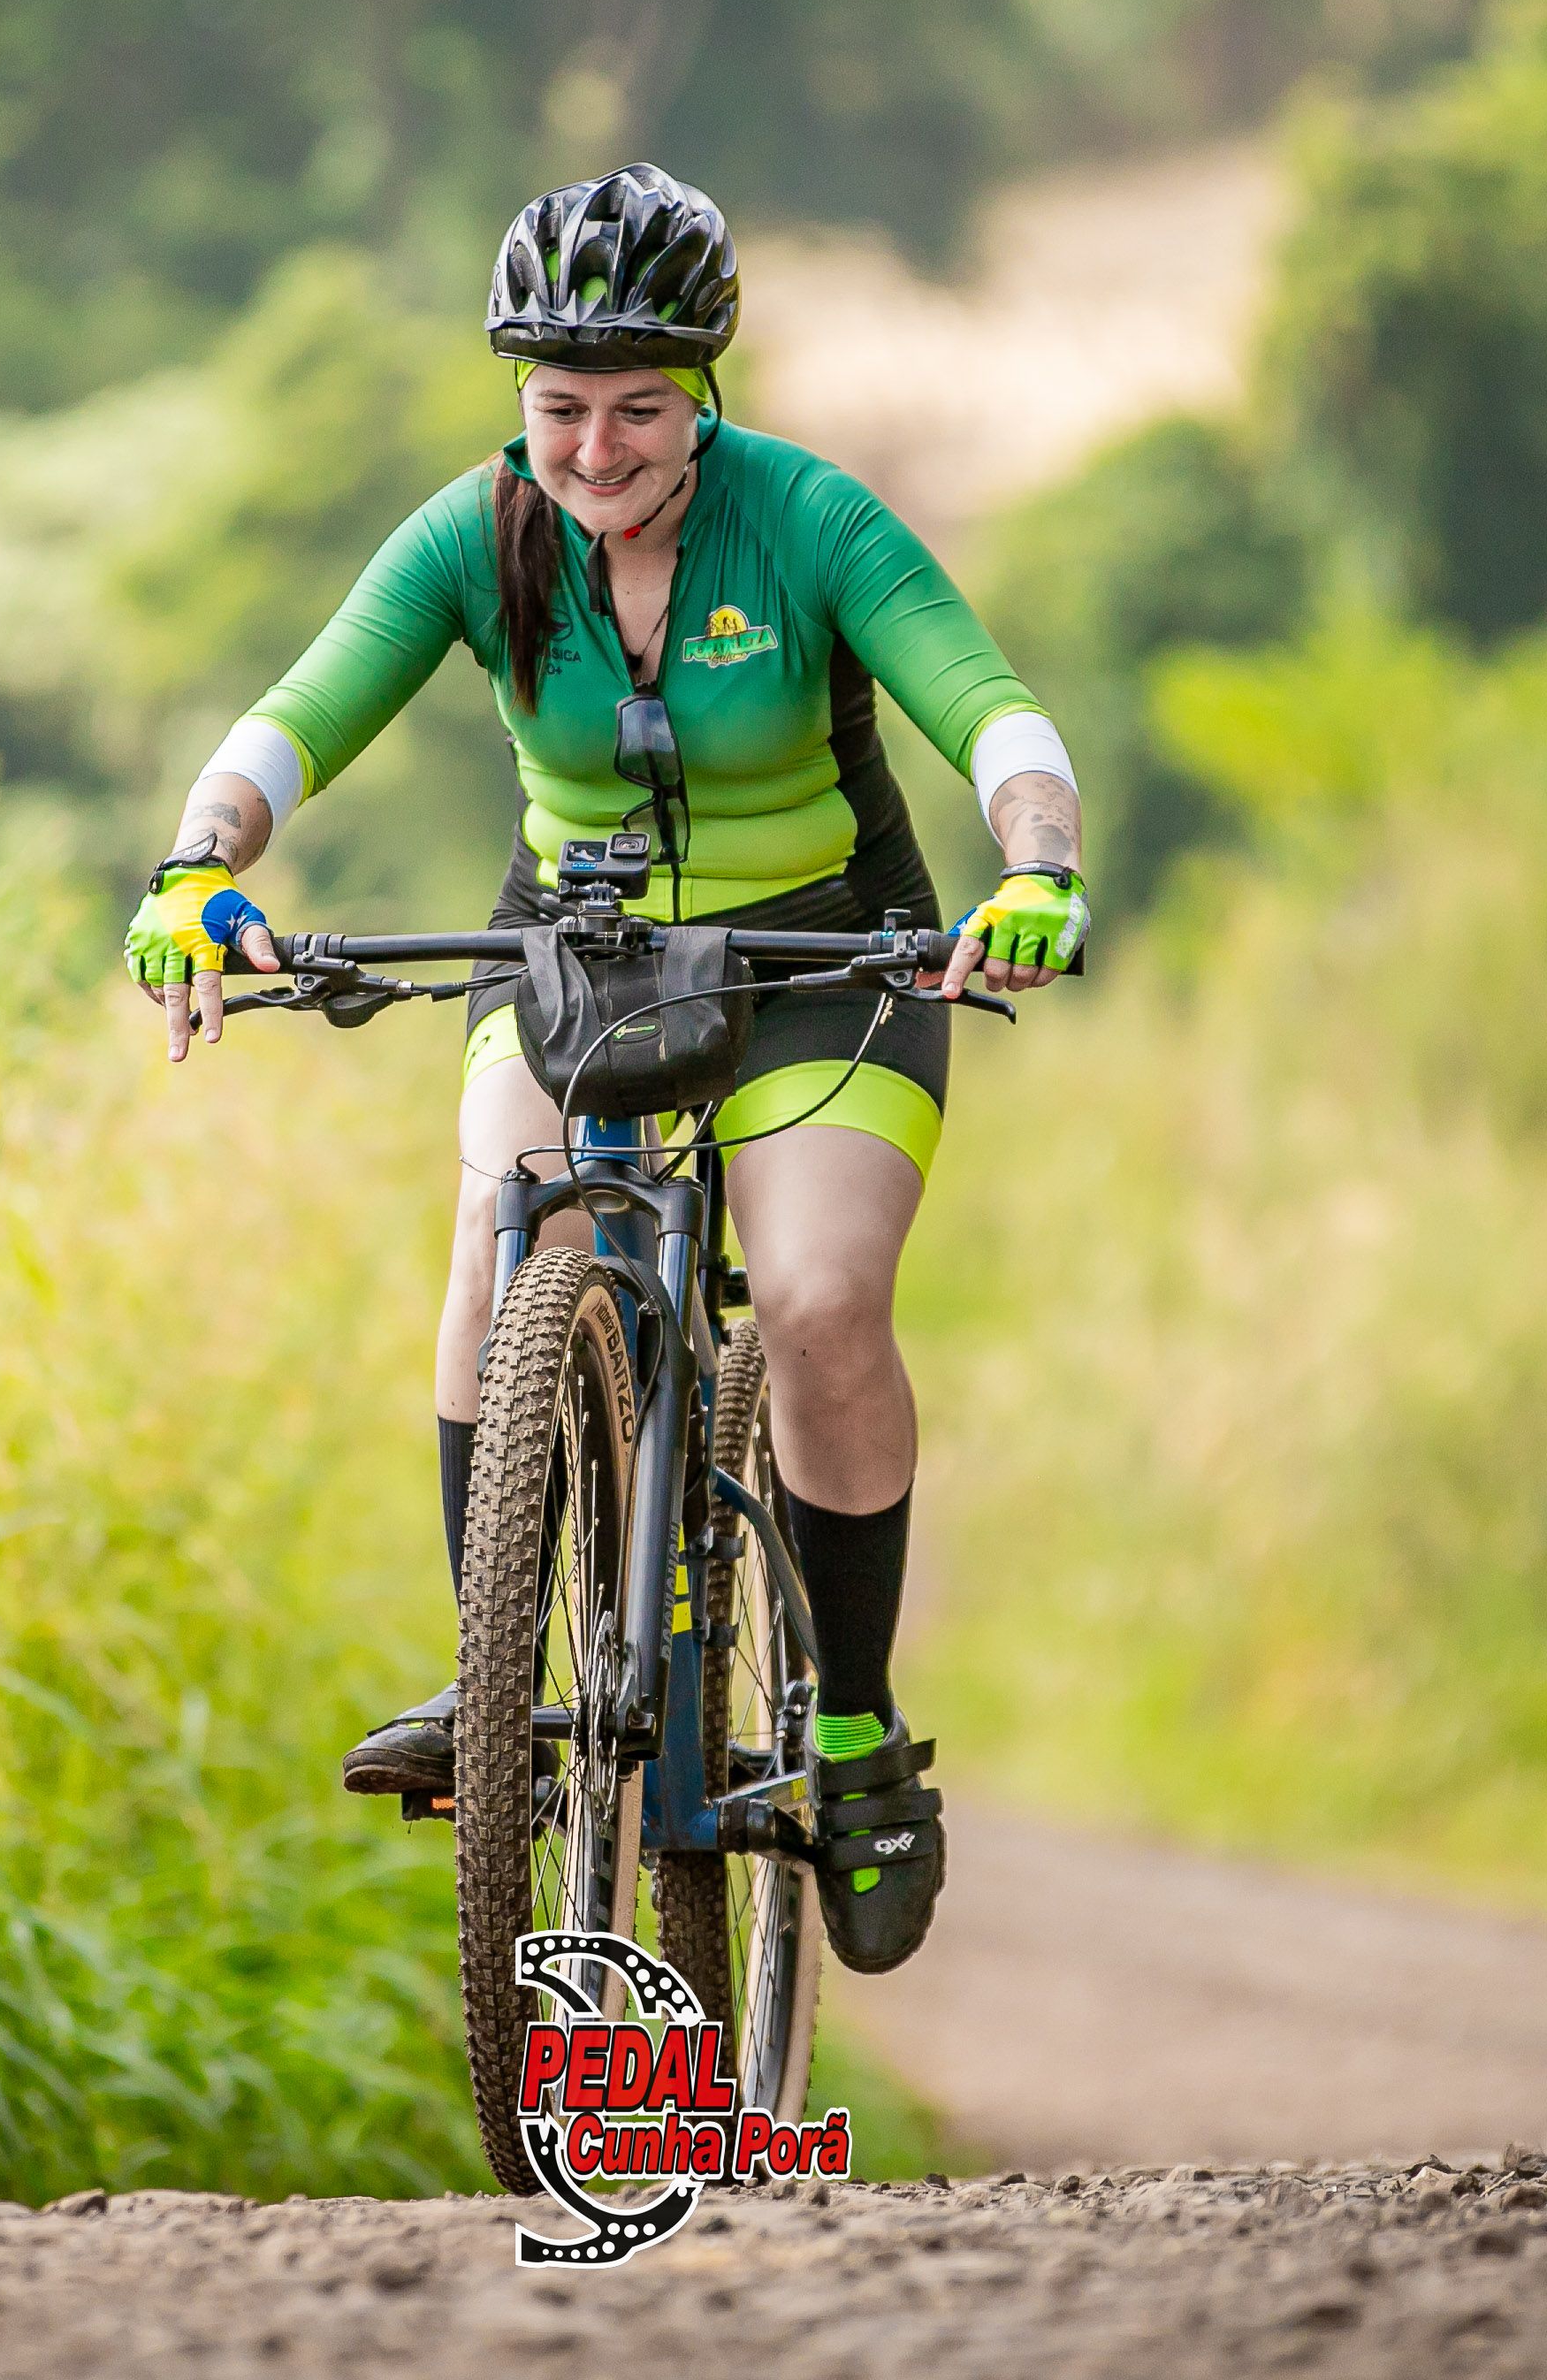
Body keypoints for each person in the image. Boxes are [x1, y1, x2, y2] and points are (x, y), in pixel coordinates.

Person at [118, 164, 1086, 1974]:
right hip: (575, 952)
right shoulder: (476, 534)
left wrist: (1035, 866)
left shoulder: (809, 521)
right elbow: (295, 719)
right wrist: (196, 866)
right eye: (560, 407)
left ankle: (856, 1729)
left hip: (829, 958)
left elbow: (994, 712)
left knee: (815, 1300)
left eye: (638, 408)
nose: (595, 449)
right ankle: (493, 1678)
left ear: (703, 390)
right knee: (502, 1247)